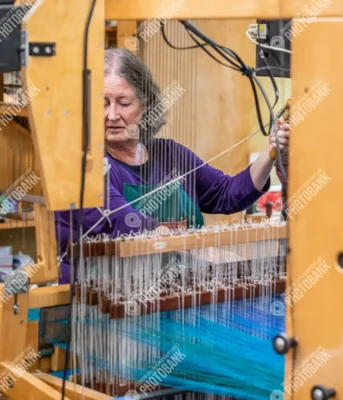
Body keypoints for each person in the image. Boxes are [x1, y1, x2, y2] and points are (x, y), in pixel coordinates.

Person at [55, 48, 290, 283]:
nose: (112, 115)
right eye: (102, 104)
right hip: (103, 307)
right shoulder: (81, 169)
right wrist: (203, 251)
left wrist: (270, 153)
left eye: (124, 103)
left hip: (174, 298)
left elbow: (227, 195)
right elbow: (127, 223)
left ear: (145, 106)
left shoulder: (171, 155)